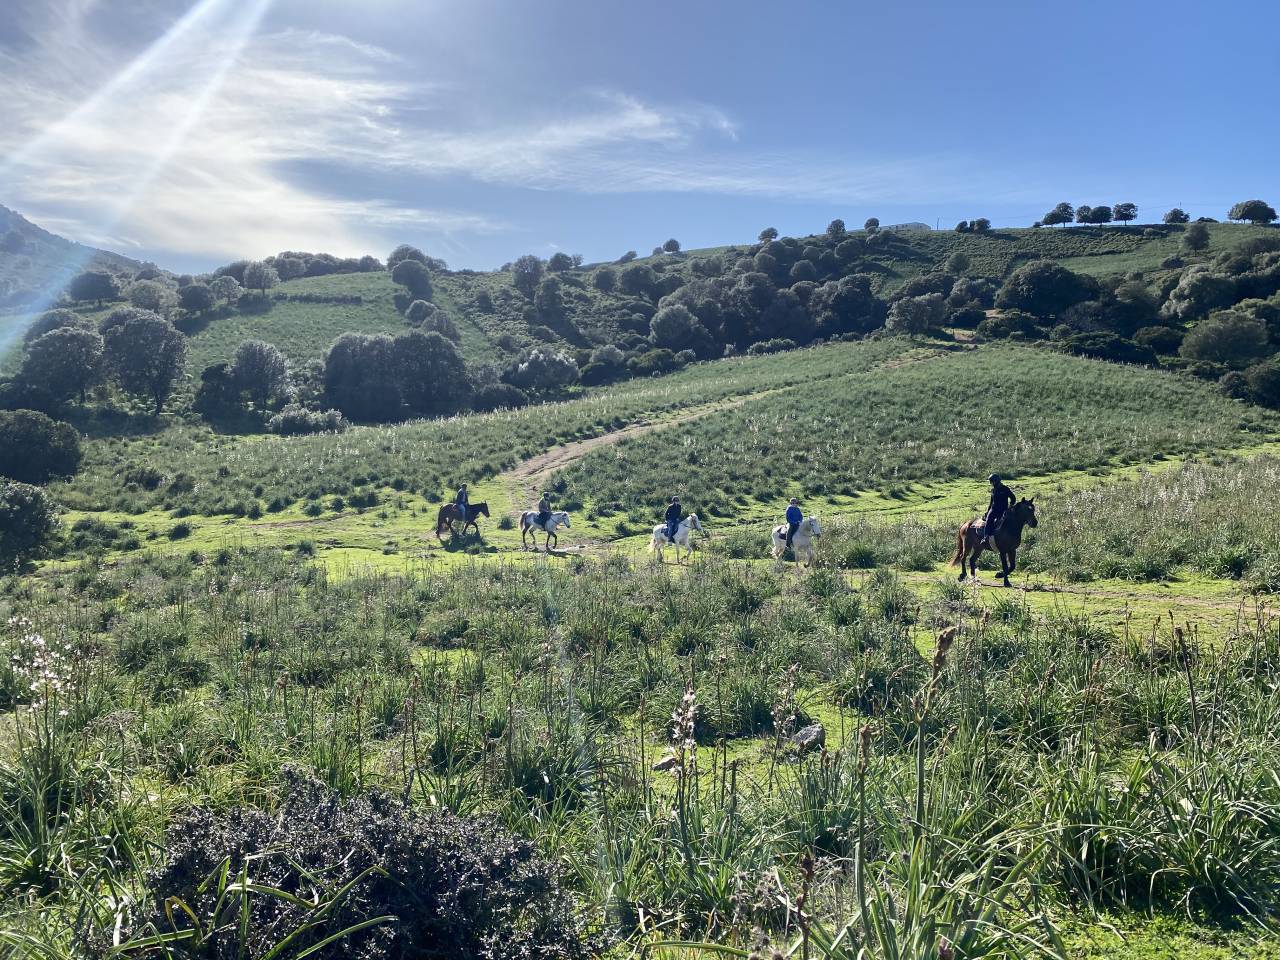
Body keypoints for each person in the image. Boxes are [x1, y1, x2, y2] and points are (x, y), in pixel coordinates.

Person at [983, 474, 1014, 545]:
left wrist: (1010, 507)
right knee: (988, 520)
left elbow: (1013, 498)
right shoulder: (993, 490)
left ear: (996, 481)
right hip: (994, 510)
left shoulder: (1005, 489)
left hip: (1004, 510)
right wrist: (988, 511)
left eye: (992, 482)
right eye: (990, 482)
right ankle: (986, 537)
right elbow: (991, 502)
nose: (991, 483)